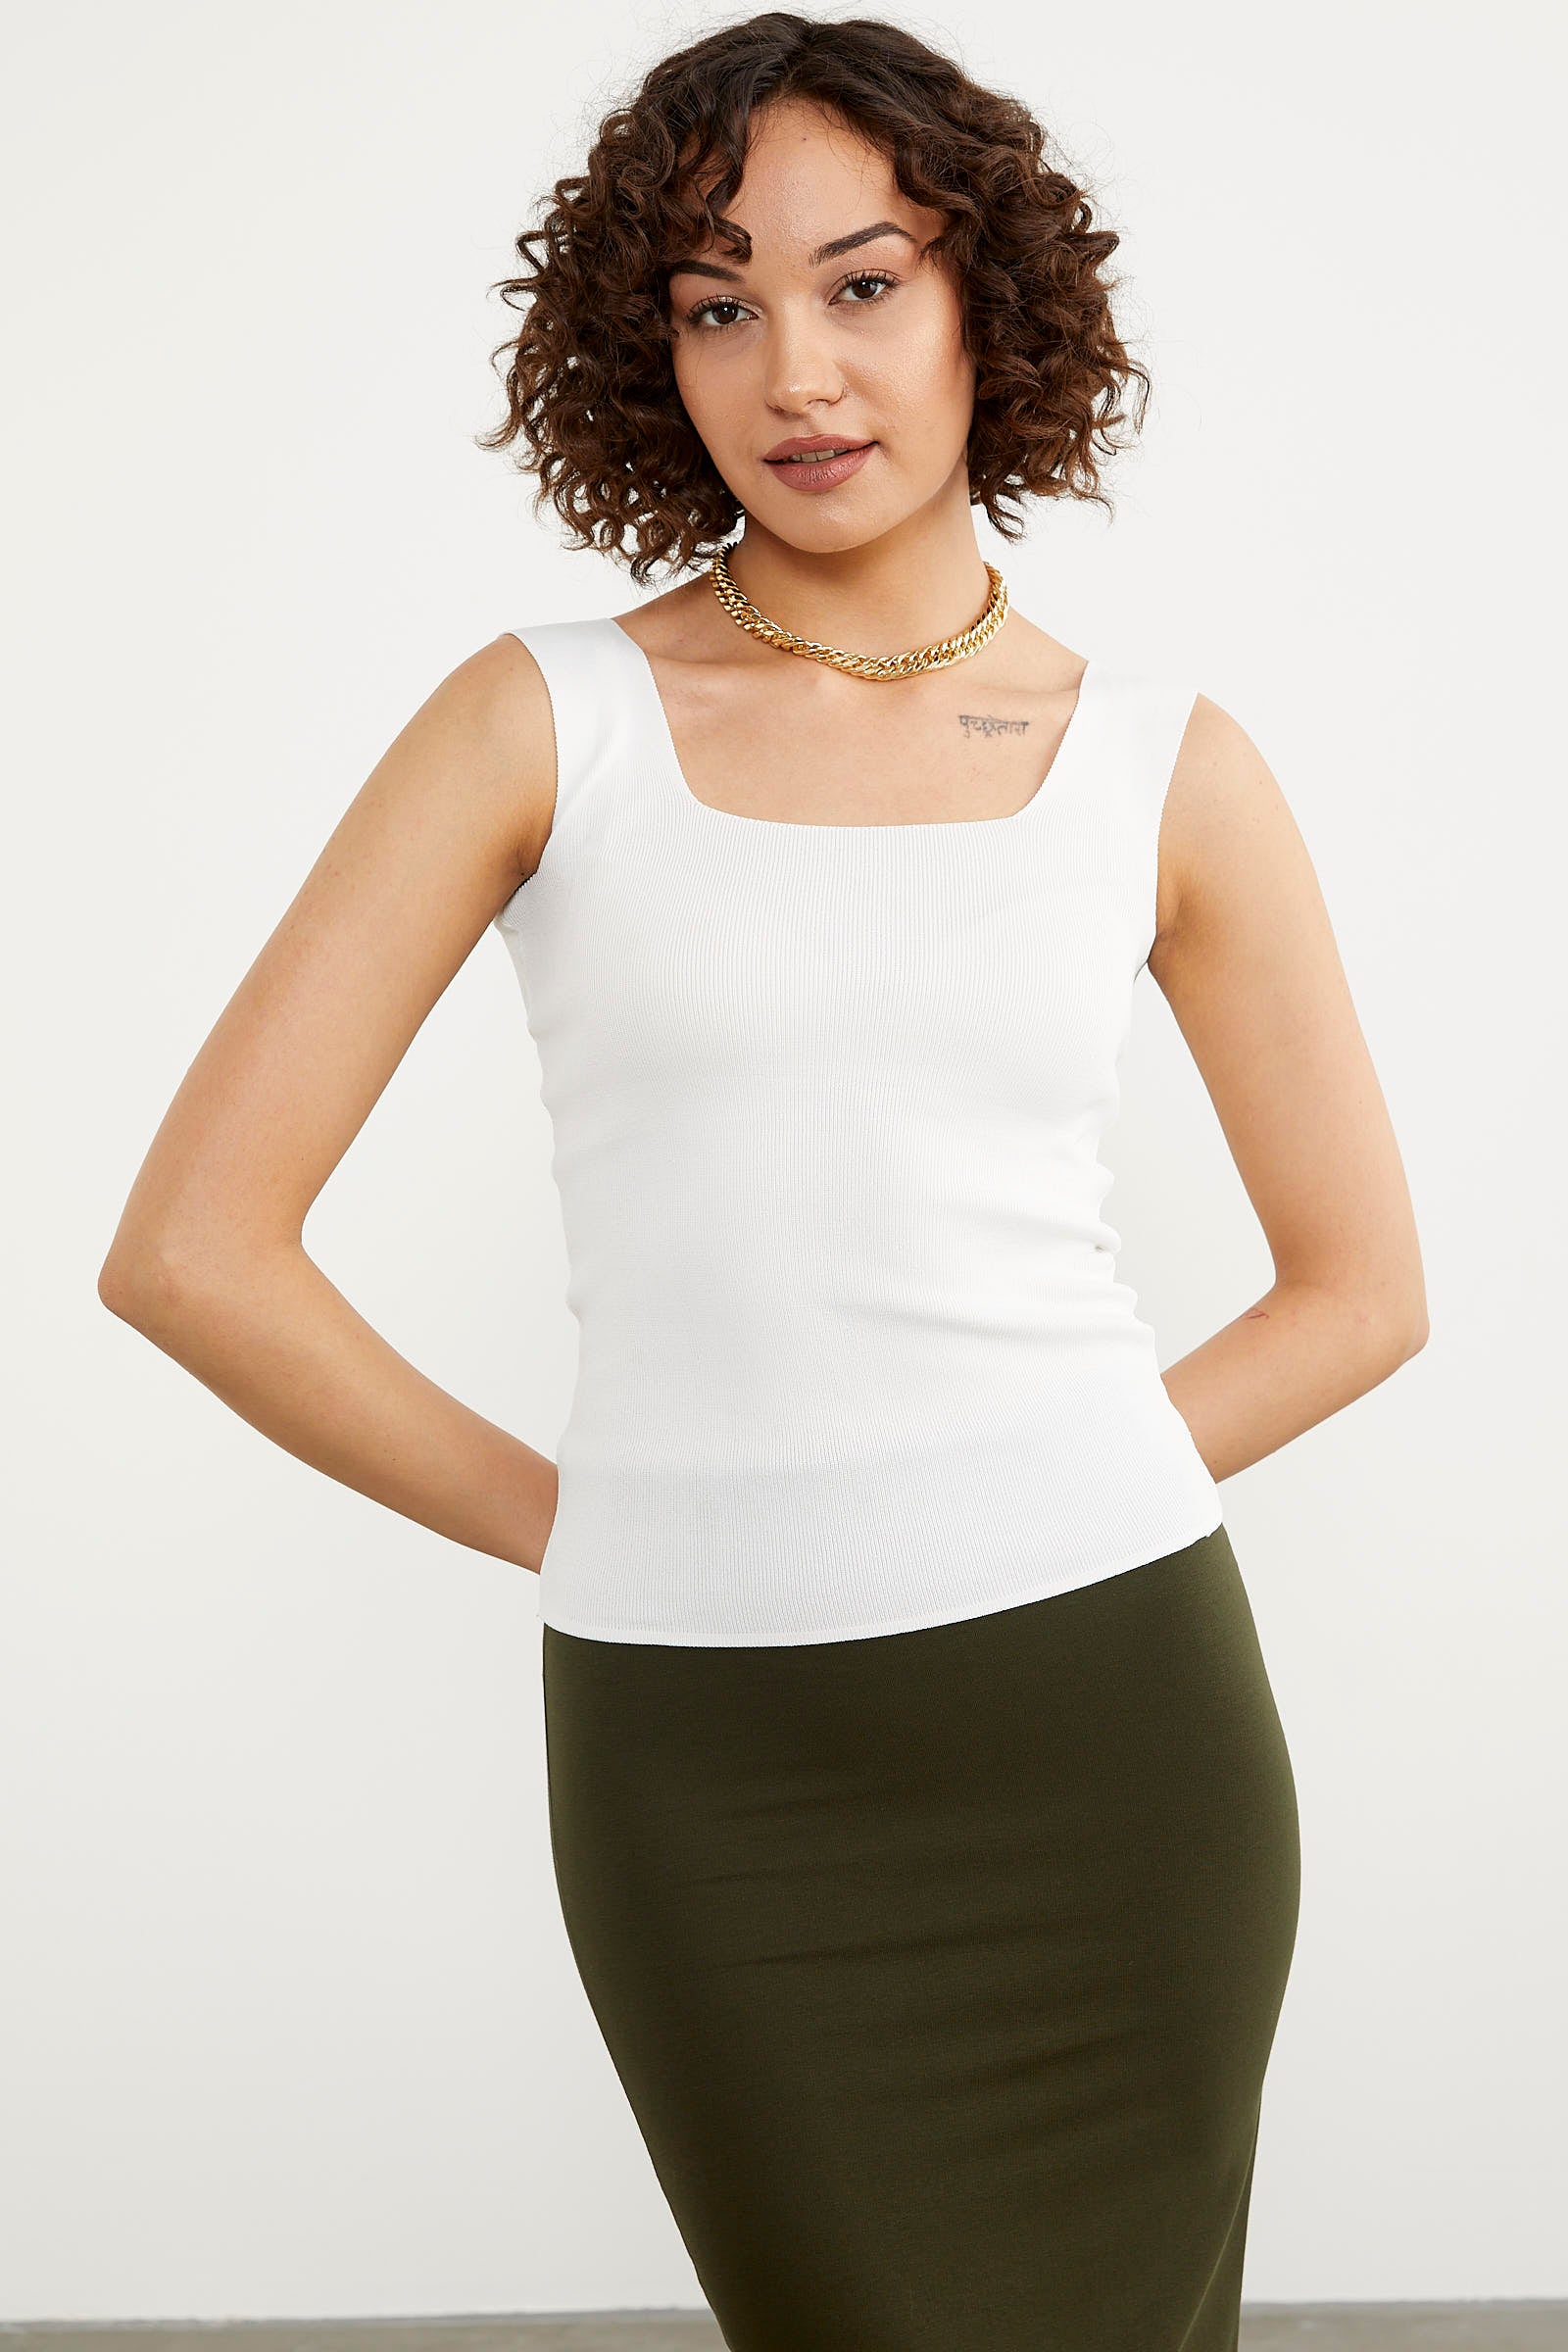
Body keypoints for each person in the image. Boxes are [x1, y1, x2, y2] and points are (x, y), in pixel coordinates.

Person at [99, 13, 1428, 2348]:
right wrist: (598, 1515)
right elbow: (193, 1252)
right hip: (712, 1770)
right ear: (651, 353)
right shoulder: (542, 720)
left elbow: (1360, 1291)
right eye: (717, 306)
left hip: (1108, 1729)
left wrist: (1022, 1488)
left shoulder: (1158, 765)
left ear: (988, 302)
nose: (793, 373)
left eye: (862, 285)